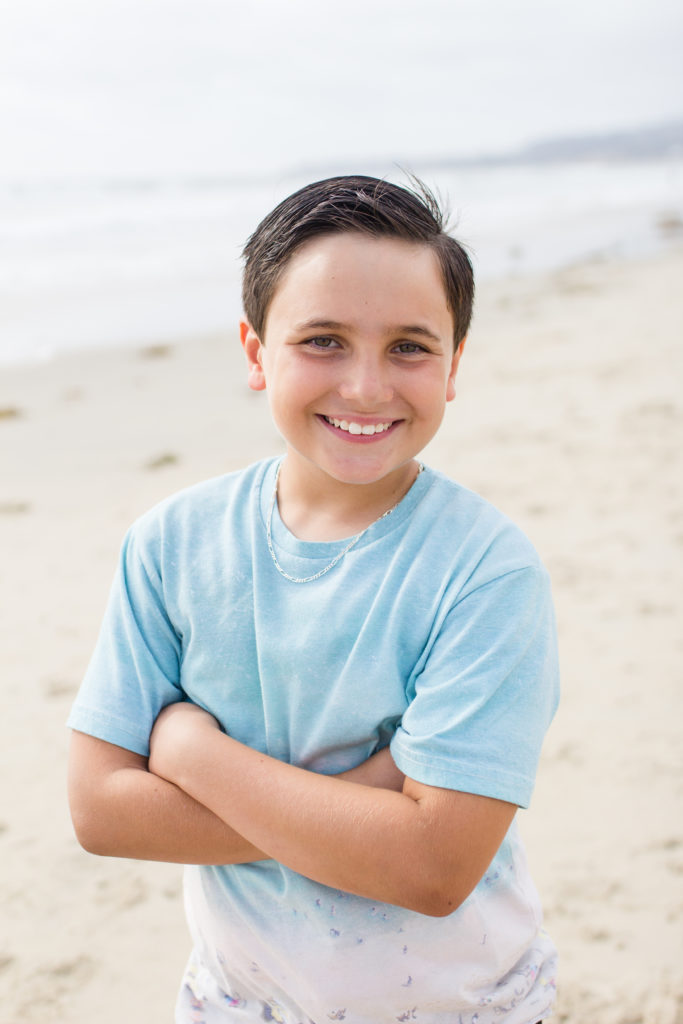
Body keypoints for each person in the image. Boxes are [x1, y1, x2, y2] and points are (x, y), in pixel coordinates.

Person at [67, 175, 560, 1024]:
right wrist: (364, 806)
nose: (366, 388)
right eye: (323, 340)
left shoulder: (485, 572)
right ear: (257, 353)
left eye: (409, 346)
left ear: (453, 366)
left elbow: (433, 869)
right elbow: (102, 811)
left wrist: (192, 755)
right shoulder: (172, 544)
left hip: (464, 1005)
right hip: (236, 1001)